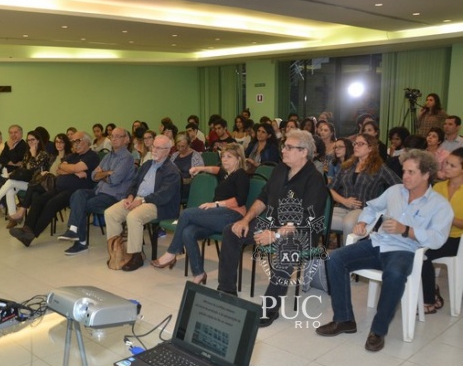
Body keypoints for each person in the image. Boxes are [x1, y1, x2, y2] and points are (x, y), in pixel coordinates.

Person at [317, 150, 453, 352]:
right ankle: (344, 319)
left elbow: (437, 238)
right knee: (335, 258)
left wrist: (406, 230)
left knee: (395, 274)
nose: (405, 176)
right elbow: (372, 207)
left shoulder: (439, 205)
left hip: (404, 250)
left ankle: (378, 331)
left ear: (426, 174)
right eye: (404, 171)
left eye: (411, 172)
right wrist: (363, 223)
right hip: (378, 243)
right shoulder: (395, 191)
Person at [216, 130, 327, 326]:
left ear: (303, 152)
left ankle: (269, 309)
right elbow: (263, 198)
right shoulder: (280, 169)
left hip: (301, 232)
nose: (283, 150)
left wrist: (274, 235)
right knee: (231, 231)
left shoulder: (315, 179)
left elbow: (305, 219)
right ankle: (226, 289)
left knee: (287, 248)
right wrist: (245, 220)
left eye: (289, 147)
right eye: (284, 146)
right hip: (272, 223)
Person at [151, 143, 250, 284]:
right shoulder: (225, 173)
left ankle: (172, 252)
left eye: (229, 157)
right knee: (188, 232)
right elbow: (215, 169)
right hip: (218, 216)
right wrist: (200, 168)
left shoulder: (241, 175)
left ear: (239, 159)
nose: (224, 160)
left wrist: (216, 204)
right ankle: (199, 273)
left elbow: (240, 200)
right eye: (223, 156)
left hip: (233, 216)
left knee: (186, 214)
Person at [104, 135, 181, 271]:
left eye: (158, 148)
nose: (154, 150)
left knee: (133, 217)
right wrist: (130, 196)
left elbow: (163, 196)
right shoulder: (147, 165)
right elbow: (133, 183)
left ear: (168, 150)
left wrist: (141, 201)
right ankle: (118, 251)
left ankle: (136, 256)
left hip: (158, 205)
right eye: (153, 146)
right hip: (137, 199)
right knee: (110, 213)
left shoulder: (172, 170)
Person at [9, 132, 100, 246]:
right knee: (38, 200)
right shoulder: (73, 156)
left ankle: (31, 235)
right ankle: (26, 229)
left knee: (51, 204)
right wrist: (74, 171)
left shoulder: (92, 156)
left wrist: (71, 169)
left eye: (78, 141)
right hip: (59, 187)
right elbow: (59, 168)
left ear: (87, 142)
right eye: (73, 142)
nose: (75, 144)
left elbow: (73, 168)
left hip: (76, 191)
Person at [58, 127, 136, 255]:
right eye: (112, 136)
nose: (114, 139)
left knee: (83, 205)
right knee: (78, 194)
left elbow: (114, 179)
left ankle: (80, 242)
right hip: (99, 191)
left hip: (113, 196)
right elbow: (93, 175)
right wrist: (107, 173)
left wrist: (103, 173)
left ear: (126, 139)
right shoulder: (108, 156)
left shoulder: (127, 158)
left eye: (118, 136)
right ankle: (73, 230)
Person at [330, 134, 401, 243]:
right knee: (317, 217)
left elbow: (399, 185)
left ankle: (347, 252)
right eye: (355, 143)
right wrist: (344, 201)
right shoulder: (347, 166)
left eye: (361, 144)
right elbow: (330, 189)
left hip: (364, 210)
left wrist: (384, 204)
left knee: (348, 223)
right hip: (342, 207)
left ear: (370, 148)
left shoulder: (379, 167)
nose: (356, 146)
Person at [0, 130, 51, 224]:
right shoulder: (27, 153)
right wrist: (15, 171)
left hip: (39, 183)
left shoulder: (43, 154)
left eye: (33, 139)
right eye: (28, 140)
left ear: (38, 140)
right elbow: (23, 167)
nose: (30, 142)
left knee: (10, 183)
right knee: (10, 190)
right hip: (28, 181)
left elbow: (34, 169)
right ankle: (13, 217)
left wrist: (33, 155)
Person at [421, 148, 463, 313]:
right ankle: (430, 289)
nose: (446, 167)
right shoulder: (438, 187)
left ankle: (429, 300)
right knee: (412, 248)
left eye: (452, 165)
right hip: (435, 234)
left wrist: (448, 218)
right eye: (446, 163)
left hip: (456, 239)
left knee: (423, 255)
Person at [7, 133, 72, 223]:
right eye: (57, 142)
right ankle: (33, 221)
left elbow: (65, 172)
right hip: (46, 182)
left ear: (66, 143)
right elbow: (38, 169)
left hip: (57, 184)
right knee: (35, 194)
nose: (58, 144)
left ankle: (22, 211)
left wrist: (48, 172)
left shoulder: (69, 157)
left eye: (61, 142)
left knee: (32, 185)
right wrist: (44, 172)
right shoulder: (53, 156)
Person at [170, 132, 205, 203]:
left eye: (183, 146)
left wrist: (183, 181)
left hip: (189, 187)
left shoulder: (196, 156)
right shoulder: (174, 156)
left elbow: (200, 178)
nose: (180, 149)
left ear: (189, 145)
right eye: (178, 146)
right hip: (174, 185)